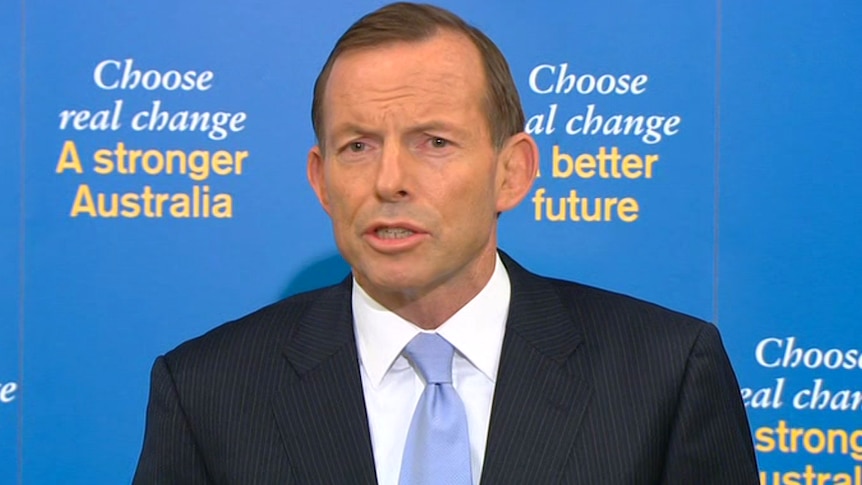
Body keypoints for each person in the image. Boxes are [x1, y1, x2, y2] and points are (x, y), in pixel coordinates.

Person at [133, 2, 759, 484]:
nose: (390, 181)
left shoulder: (665, 373)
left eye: (434, 141)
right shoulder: (207, 391)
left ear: (511, 172)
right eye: (358, 145)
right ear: (322, 181)